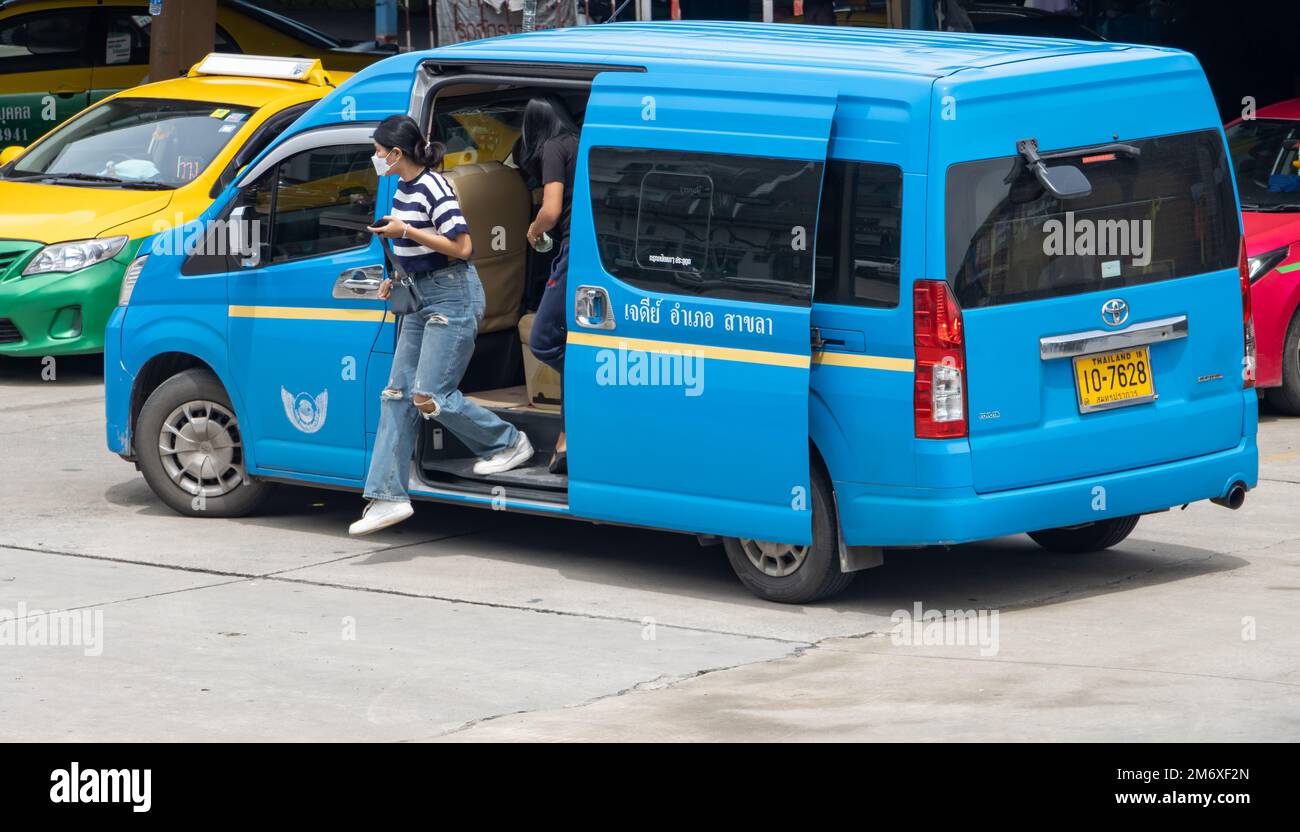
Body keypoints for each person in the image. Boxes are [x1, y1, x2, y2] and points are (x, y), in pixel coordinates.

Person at [350, 115, 534, 536]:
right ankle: (387, 497)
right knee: (395, 395)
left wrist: (406, 229)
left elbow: (463, 247)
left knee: (429, 396)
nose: (376, 157)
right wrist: (393, 278)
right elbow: (414, 248)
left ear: (396, 153)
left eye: (379, 150)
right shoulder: (403, 188)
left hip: (452, 296)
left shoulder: (435, 187)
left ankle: (508, 442)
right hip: (420, 295)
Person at [519, 95, 579, 474]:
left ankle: (584, 397)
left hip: (574, 255)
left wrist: (533, 229)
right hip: (588, 253)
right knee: (572, 342)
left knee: (544, 340)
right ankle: (566, 434)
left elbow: (552, 209)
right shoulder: (579, 140)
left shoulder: (554, 148)